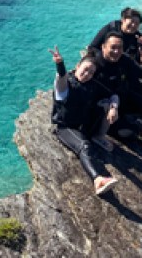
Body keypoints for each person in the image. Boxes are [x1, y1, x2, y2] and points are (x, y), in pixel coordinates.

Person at [50, 45, 119, 195]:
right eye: (85, 69)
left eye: (91, 72)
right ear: (77, 66)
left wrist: (114, 107)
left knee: (107, 104)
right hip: (66, 127)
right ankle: (98, 180)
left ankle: (99, 136)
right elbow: (60, 79)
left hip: (84, 124)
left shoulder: (92, 84)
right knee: (84, 146)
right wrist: (60, 64)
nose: (87, 74)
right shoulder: (66, 85)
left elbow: (113, 95)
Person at [93, 31, 142, 160]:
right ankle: (137, 125)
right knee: (129, 134)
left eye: (120, 48)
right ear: (103, 47)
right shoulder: (95, 65)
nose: (116, 51)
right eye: (113, 48)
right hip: (104, 108)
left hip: (123, 98)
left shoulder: (124, 59)